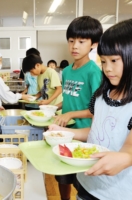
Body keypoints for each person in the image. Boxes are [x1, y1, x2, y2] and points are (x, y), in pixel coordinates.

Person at [49, 18, 132, 200]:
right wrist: (63, 132)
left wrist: (126, 157)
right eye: (103, 61)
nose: (107, 69)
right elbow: (94, 131)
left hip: (117, 192)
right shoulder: (102, 95)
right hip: (89, 182)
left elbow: (129, 147)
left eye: (114, 60)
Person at [52, 16, 103, 200]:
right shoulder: (65, 71)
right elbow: (69, 97)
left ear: (93, 44)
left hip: (84, 136)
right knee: (62, 176)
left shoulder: (93, 72)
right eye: (71, 40)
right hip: (64, 133)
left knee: (81, 181)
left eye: (82, 41)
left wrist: (71, 113)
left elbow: (96, 109)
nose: (75, 46)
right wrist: (55, 108)